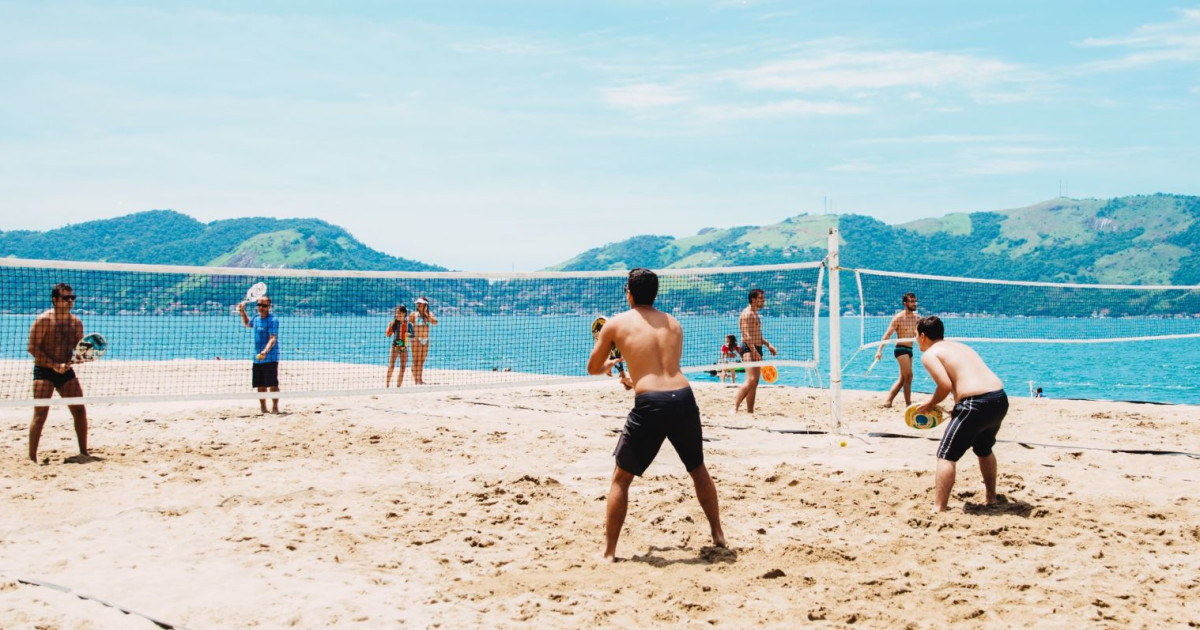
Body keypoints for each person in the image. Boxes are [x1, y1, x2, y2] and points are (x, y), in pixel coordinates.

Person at [588, 268, 726, 562]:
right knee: (698, 468)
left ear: (629, 293)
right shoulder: (673, 323)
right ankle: (718, 534)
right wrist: (632, 378)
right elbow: (663, 367)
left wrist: (613, 364)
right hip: (683, 397)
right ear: (655, 293)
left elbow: (592, 367)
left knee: (621, 479)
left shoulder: (615, 325)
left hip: (651, 402)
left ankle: (609, 552)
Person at [914, 315, 1009, 513]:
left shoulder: (930, 354)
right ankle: (991, 498)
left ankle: (939, 508)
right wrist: (958, 407)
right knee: (984, 449)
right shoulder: (961, 346)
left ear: (923, 336)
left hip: (975, 403)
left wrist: (930, 403)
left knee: (945, 455)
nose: (915, 339)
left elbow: (945, 385)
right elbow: (967, 379)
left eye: (916, 335)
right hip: (999, 399)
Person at [27, 283, 89, 463]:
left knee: (79, 410)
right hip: (44, 371)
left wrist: (80, 358)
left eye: (72, 298)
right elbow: (32, 348)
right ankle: (32, 458)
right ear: (55, 300)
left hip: (66, 370)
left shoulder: (76, 323)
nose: (70, 301)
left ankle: (84, 453)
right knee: (40, 413)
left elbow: (79, 349)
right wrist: (54, 365)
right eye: (65, 298)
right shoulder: (43, 320)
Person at [733, 289, 777, 413]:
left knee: (755, 382)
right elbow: (746, 336)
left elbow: (756, 335)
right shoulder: (747, 314)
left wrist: (768, 345)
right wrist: (754, 352)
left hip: (757, 347)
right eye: (761, 298)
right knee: (751, 379)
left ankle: (750, 412)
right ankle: (734, 408)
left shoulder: (755, 314)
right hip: (748, 348)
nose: (763, 300)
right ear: (753, 299)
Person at [875, 292, 919, 408]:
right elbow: (888, 334)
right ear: (905, 303)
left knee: (903, 378)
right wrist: (879, 351)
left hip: (910, 349)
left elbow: (920, 335)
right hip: (900, 349)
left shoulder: (917, 318)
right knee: (909, 375)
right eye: (911, 301)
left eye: (915, 301)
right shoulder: (899, 318)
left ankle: (888, 402)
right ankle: (908, 404)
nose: (914, 303)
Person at [238, 295, 280, 414]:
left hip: (271, 357)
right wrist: (242, 311)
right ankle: (263, 408)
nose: (261, 307)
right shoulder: (256, 318)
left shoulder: (273, 320)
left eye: (264, 305)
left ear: (269, 307)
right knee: (260, 385)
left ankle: (275, 407)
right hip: (257, 357)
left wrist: (265, 351)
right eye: (259, 305)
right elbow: (247, 324)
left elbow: (273, 338)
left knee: (272, 384)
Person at [408, 296, 438, 385]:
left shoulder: (429, 314)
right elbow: (408, 326)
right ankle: (416, 380)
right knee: (416, 360)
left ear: (426, 305)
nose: (419, 305)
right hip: (416, 339)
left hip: (425, 340)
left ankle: (419, 379)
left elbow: (435, 322)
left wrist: (426, 314)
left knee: (421, 360)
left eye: (421, 303)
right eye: (418, 303)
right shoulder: (413, 314)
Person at [385, 305, 412, 387]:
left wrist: (409, 334)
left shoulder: (408, 324)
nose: (397, 315)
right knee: (391, 366)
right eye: (396, 313)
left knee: (403, 368)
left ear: (404, 314)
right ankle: (387, 385)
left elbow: (413, 335)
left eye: (399, 313)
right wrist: (389, 329)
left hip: (404, 346)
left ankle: (398, 386)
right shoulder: (393, 323)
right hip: (395, 345)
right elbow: (387, 334)